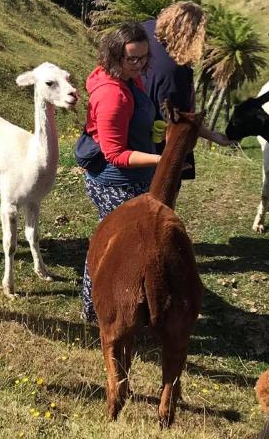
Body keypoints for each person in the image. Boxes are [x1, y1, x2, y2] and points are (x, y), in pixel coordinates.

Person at [76, 22, 161, 322]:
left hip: (133, 179)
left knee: (123, 244)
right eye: (132, 59)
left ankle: (114, 303)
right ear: (115, 57)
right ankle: (97, 306)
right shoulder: (113, 95)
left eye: (144, 58)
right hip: (116, 184)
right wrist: (158, 160)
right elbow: (115, 154)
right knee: (113, 246)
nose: (139, 65)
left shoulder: (129, 79)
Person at [142, 1, 233, 186]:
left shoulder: (145, 28)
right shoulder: (175, 72)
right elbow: (178, 123)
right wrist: (214, 136)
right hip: (156, 149)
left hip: (133, 133)